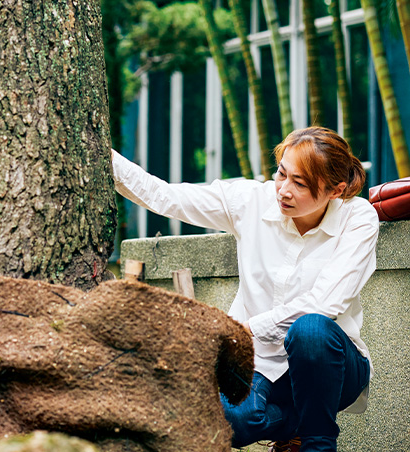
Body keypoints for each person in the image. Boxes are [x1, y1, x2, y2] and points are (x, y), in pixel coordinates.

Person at [111, 126, 377, 452]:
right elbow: (163, 196)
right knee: (229, 424)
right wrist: (98, 151)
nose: (283, 190)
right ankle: (294, 427)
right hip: (261, 361)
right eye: (282, 174)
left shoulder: (358, 219)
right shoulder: (250, 201)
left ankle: (317, 442)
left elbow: (323, 304)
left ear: (334, 191)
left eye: (300, 183)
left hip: (332, 366)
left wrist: (246, 328)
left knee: (310, 329)